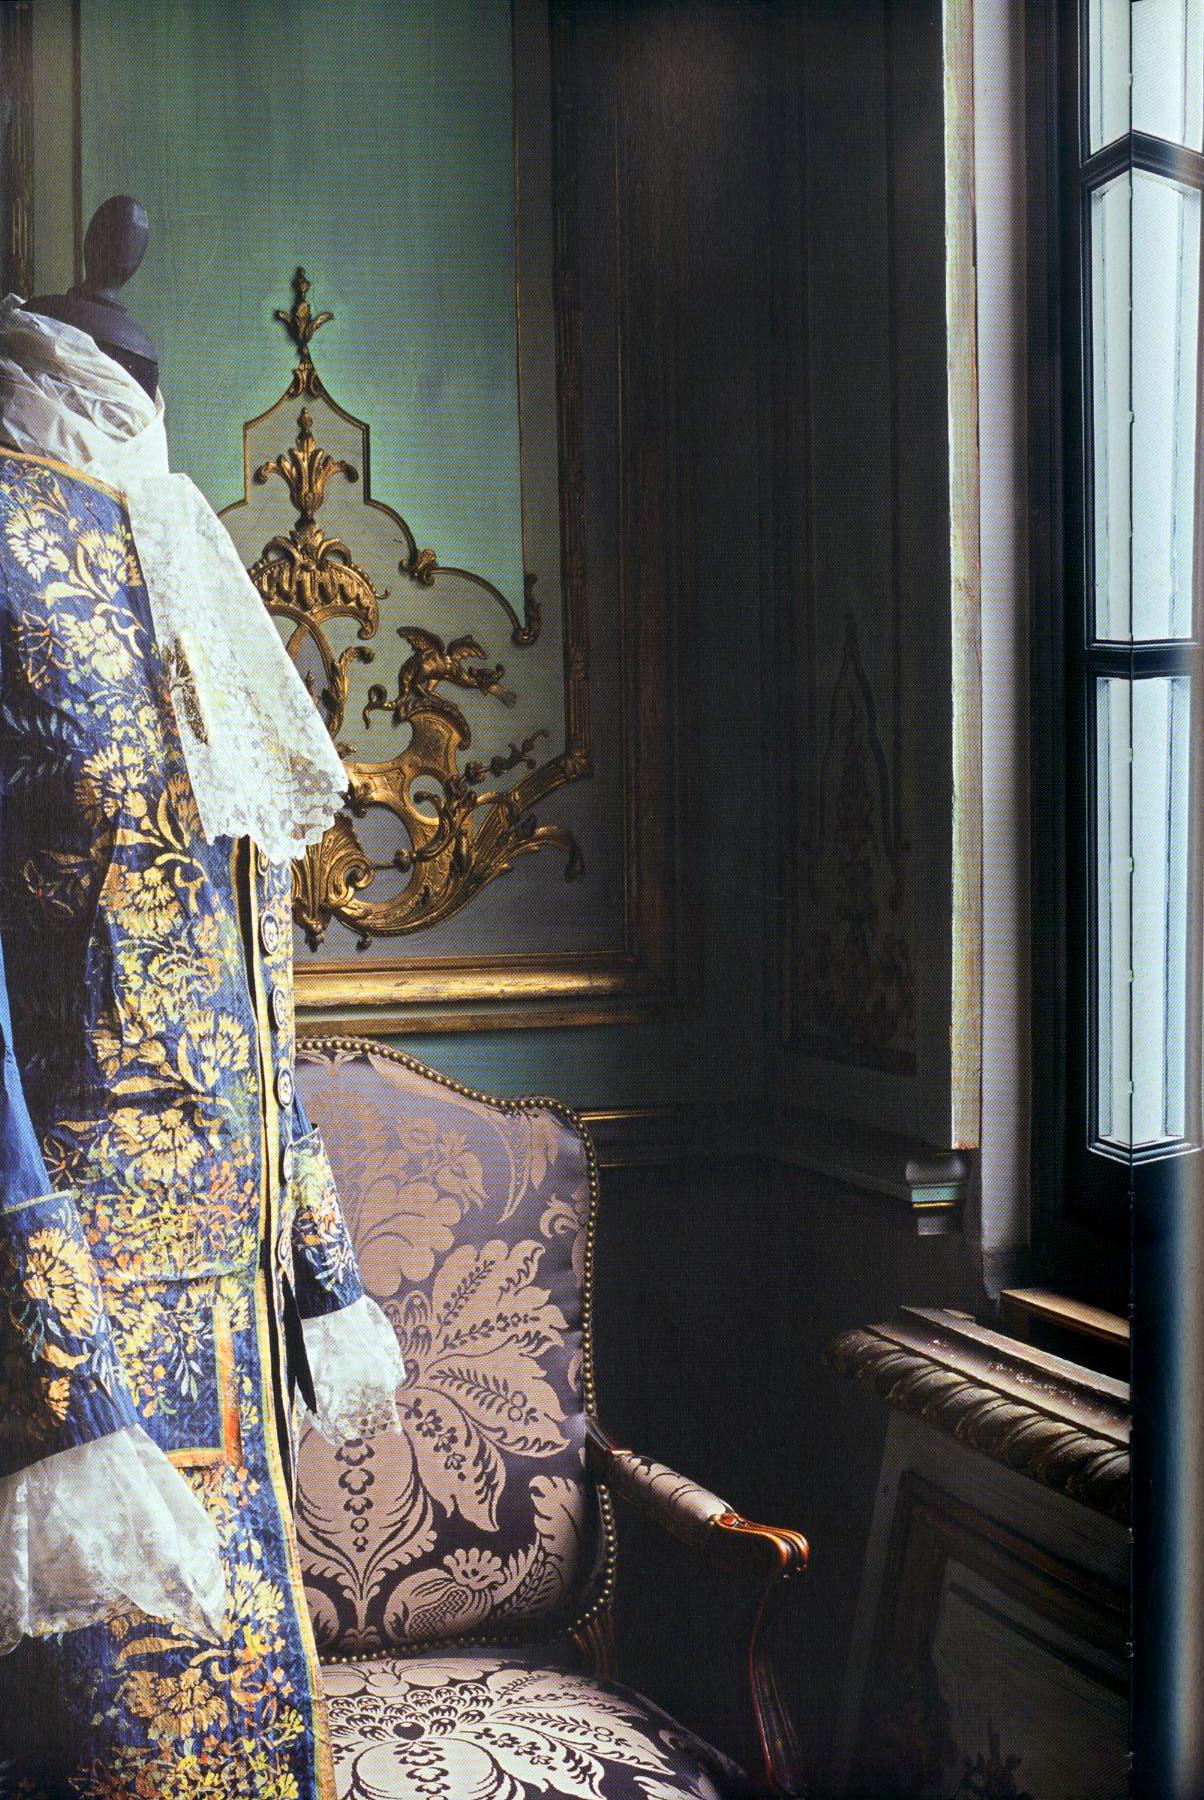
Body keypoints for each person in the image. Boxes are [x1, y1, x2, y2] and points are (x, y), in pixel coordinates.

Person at [0, 292, 404, 1799]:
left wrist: (316, 1266)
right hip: (77, 1294)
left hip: (235, 1299)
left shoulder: (178, 530)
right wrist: (57, 1363)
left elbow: (252, 964)